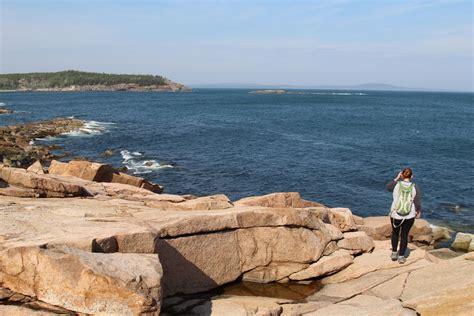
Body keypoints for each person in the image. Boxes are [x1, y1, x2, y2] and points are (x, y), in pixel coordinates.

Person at [386, 168, 421, 264]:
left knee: (395, 232)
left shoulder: (396, 185)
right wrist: (418, 211)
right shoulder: (415, 187)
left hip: (395, 213)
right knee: (404, 235)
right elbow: (417, 201)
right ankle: (401, 256)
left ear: (401, 175)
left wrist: (397, 178)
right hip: (409, 215)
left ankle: (394, 253)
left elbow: (388, 187)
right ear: (412, 176)